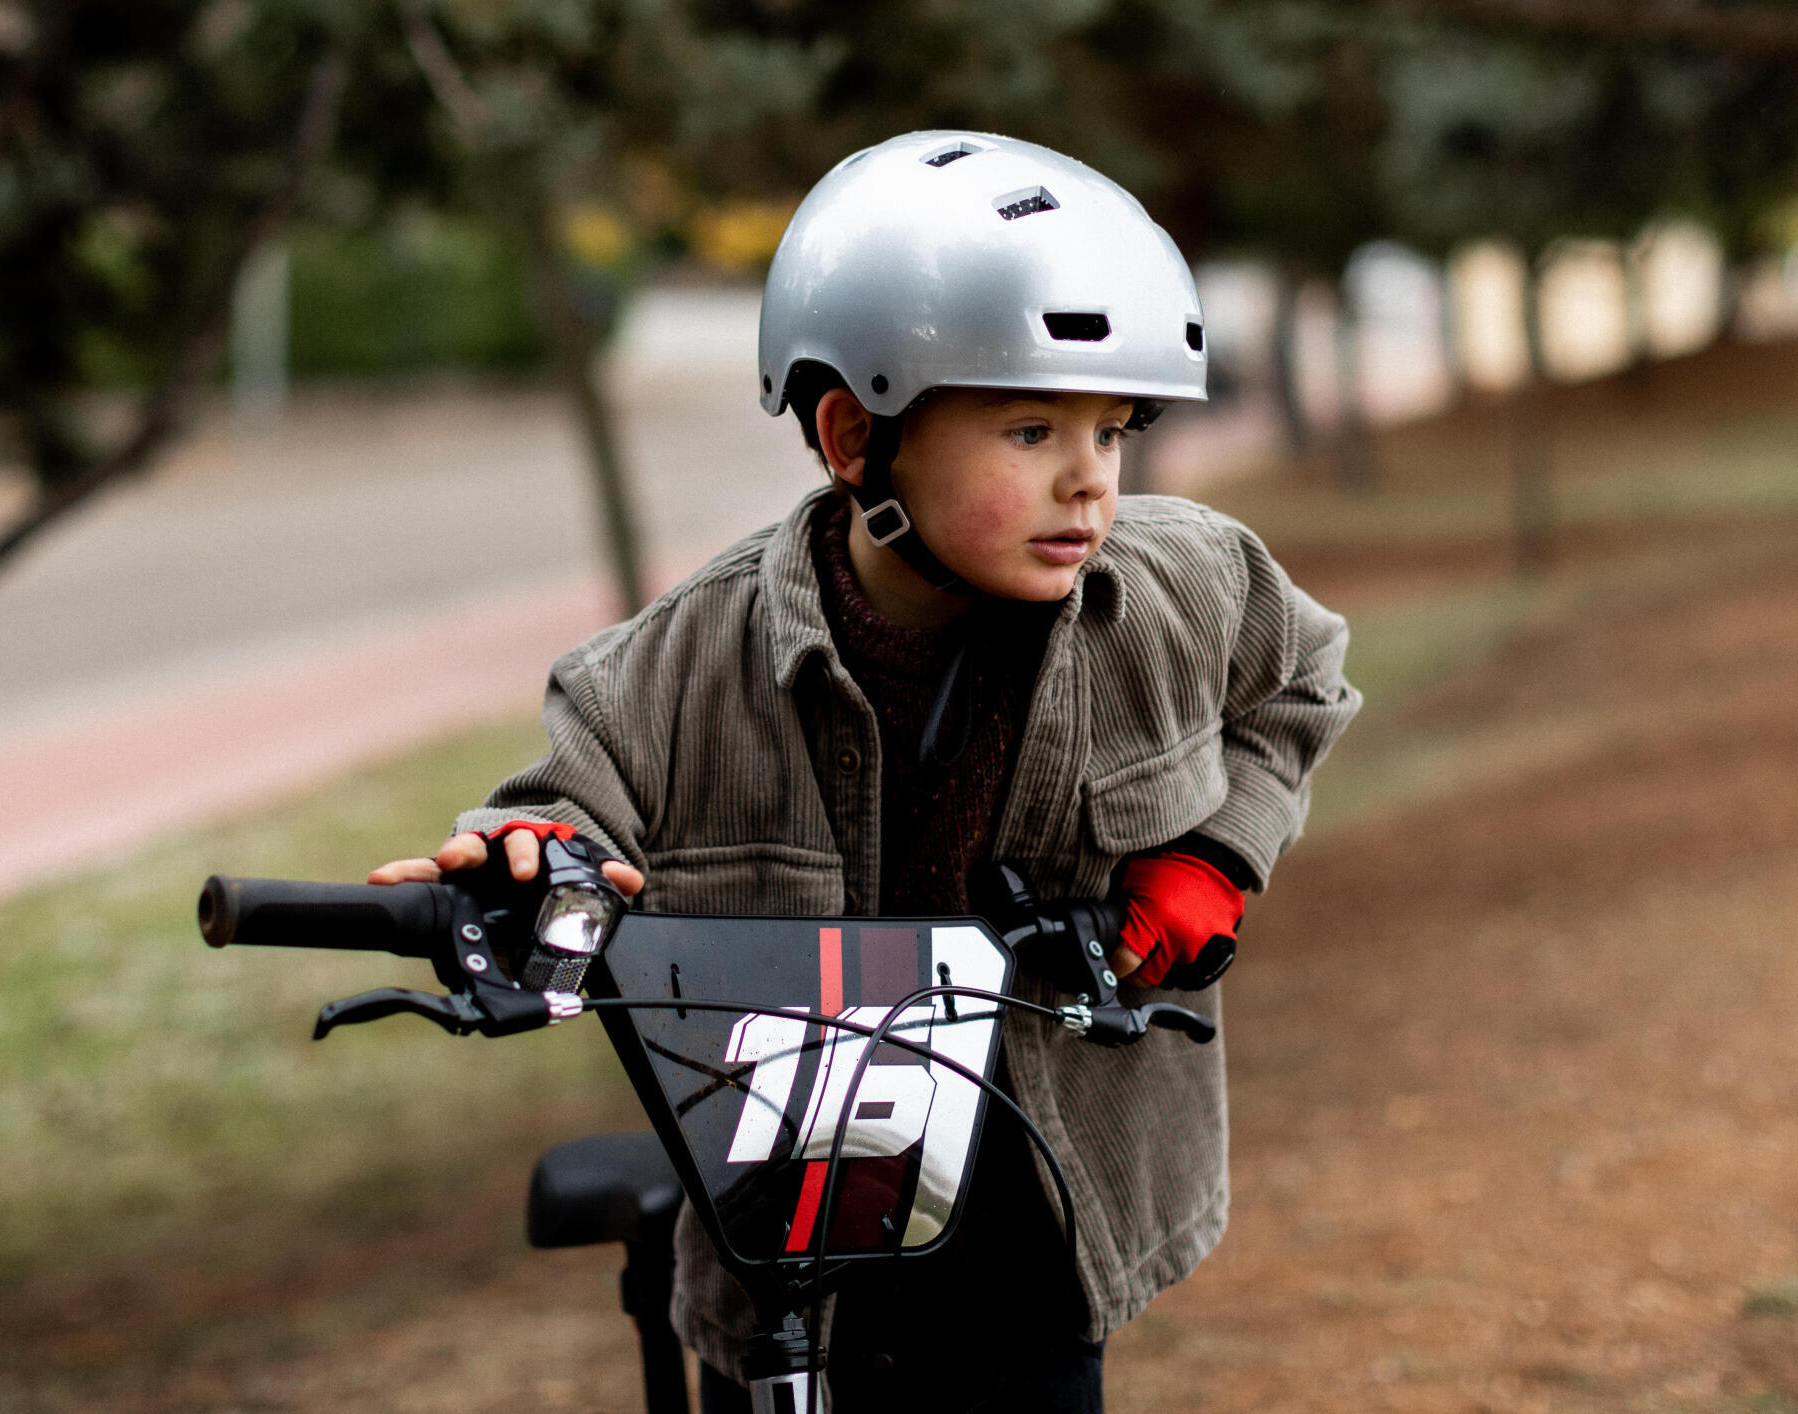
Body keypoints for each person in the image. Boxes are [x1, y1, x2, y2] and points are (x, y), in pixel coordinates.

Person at [371, 131, 1360, 1411]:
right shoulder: (680, 664)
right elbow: (564, 806)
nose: (1089, 483)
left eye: (1111, 431)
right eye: (1026, 427)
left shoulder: (1181, 588)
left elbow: (1302, 683)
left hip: (1039, 1229)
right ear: (854, 436)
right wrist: (521, 865)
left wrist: (1215, 857)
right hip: (787, 1259)